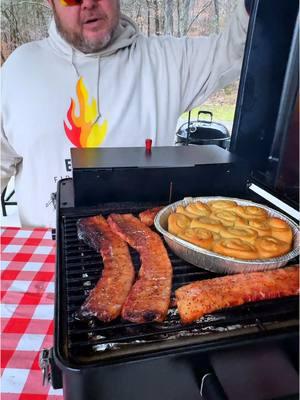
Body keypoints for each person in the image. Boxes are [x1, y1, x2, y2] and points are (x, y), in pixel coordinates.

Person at [1, 0, 250, 228]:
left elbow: (233, 48)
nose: (88, 3)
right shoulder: (20, 70)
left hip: (145, 257)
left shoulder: (165, 62)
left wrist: (253, 9)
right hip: (44, 262)